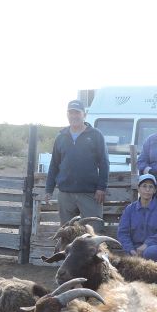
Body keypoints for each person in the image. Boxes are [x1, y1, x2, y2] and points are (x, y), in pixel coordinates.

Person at [44, 99, 109, 232]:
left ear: (84, 114)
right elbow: (54, 165)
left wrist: (101, 187)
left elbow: (104, 162)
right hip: (66, 194)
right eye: (71, 113)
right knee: (67, 233)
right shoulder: (61, 137)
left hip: (89, 194)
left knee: (94, 233)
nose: (74, 116)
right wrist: (48, 189)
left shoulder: (95, 135)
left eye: (77, 112)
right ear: (67, 115)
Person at [116, 172, 157, 260]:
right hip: (133, 247)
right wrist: (131, 250)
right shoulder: (130, 209)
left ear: (155, 190)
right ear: (138, 189)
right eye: (144, 186)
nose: (147, 189)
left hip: (155, 247)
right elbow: (123, 232)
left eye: (151, 187)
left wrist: (147, 244)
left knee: (151, 253)